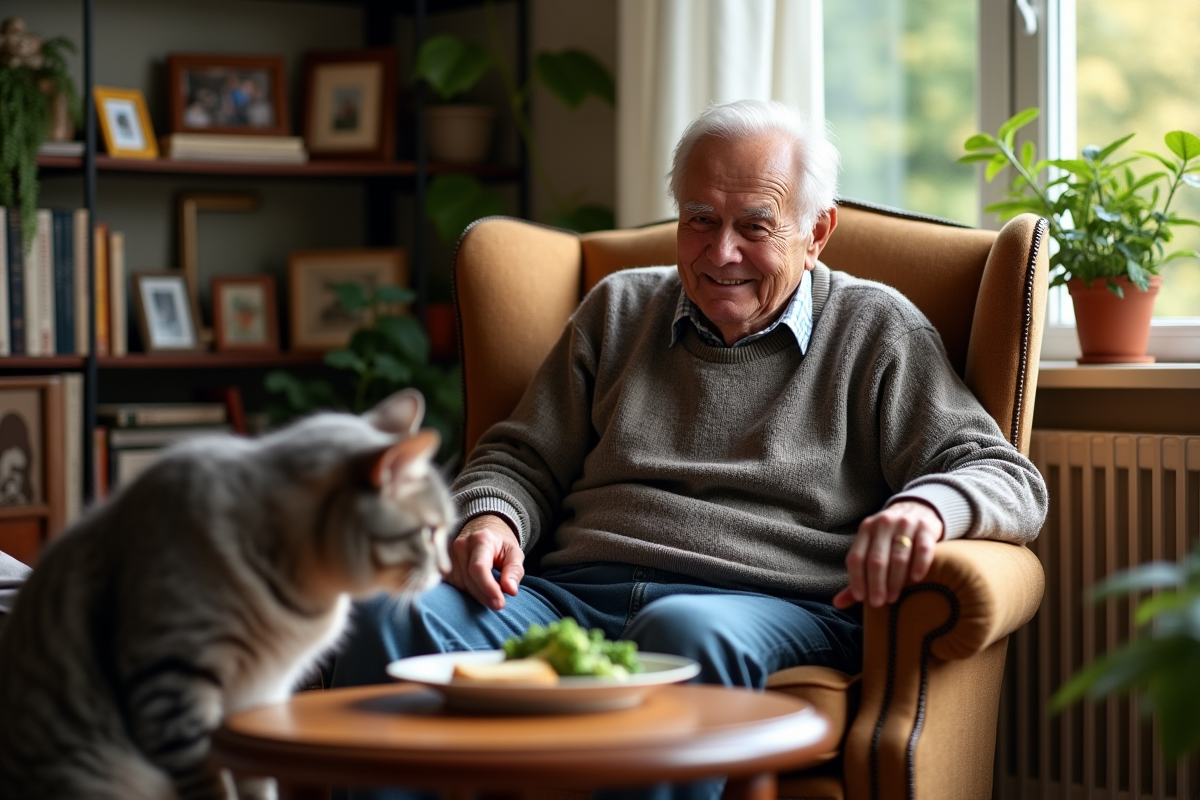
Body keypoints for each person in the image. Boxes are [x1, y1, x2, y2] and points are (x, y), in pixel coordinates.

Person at [331, 99, 1048, 799]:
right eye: (699, 220)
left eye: (754, 226)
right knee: (393, 609)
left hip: (759, 605)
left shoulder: (877, 329)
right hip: (567, 600)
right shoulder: (618, 308)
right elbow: (519, 458)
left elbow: (1003, 475)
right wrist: (490, 518)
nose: (720, 252)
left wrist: (928, 507)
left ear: (816, 230)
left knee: (682, 629)